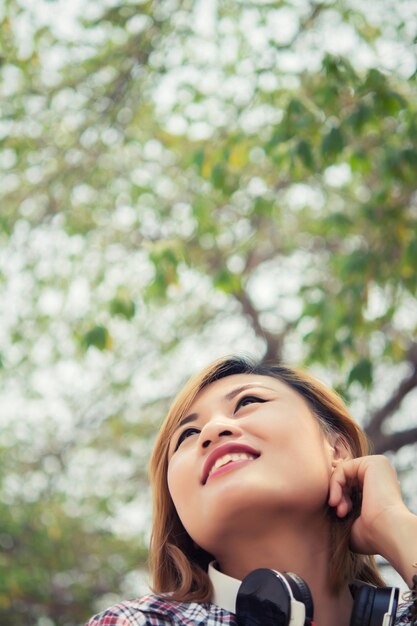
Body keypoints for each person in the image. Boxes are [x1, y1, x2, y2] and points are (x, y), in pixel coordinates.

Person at [86, 356, 417, 626]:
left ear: (338, 450)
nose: (213, 430)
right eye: (187, 435)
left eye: (248, 401)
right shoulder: (135, 622)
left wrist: (392, 523)